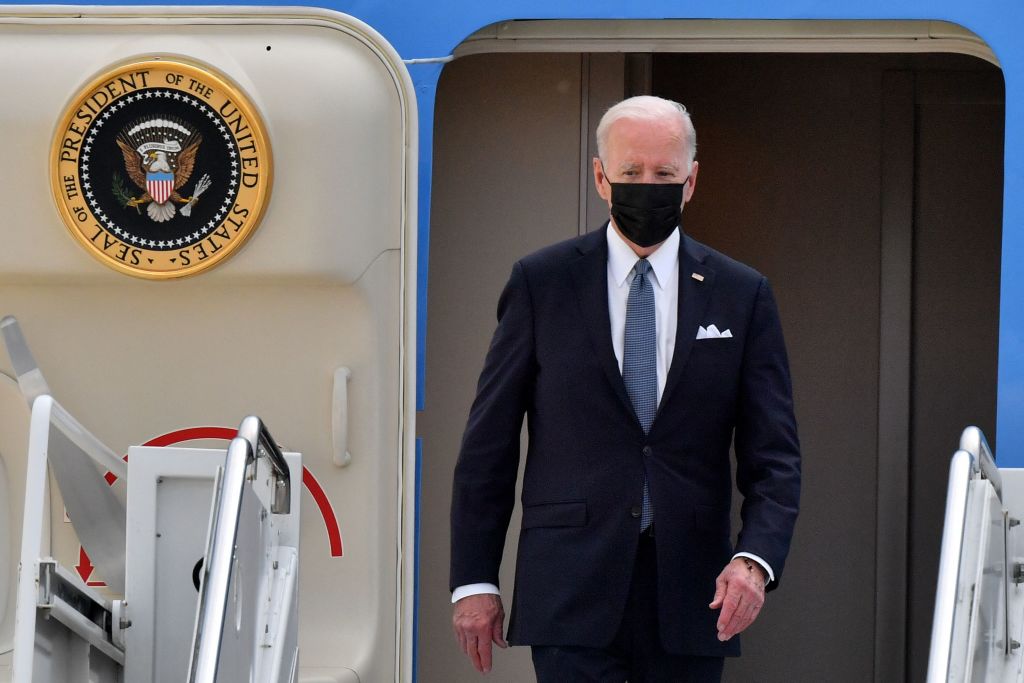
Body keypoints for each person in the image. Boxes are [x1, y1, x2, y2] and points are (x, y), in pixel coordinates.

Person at [449, 95, 800, 682]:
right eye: (631, 172)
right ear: (600, 177)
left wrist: (754, 561)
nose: (647, 187)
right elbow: (489, 444)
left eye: (664, 174)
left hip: (693, 595)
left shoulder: (741, 293)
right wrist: (474, 580)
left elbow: (775, 456)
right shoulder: (542, 282)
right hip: (569, 589)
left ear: (691, 181)